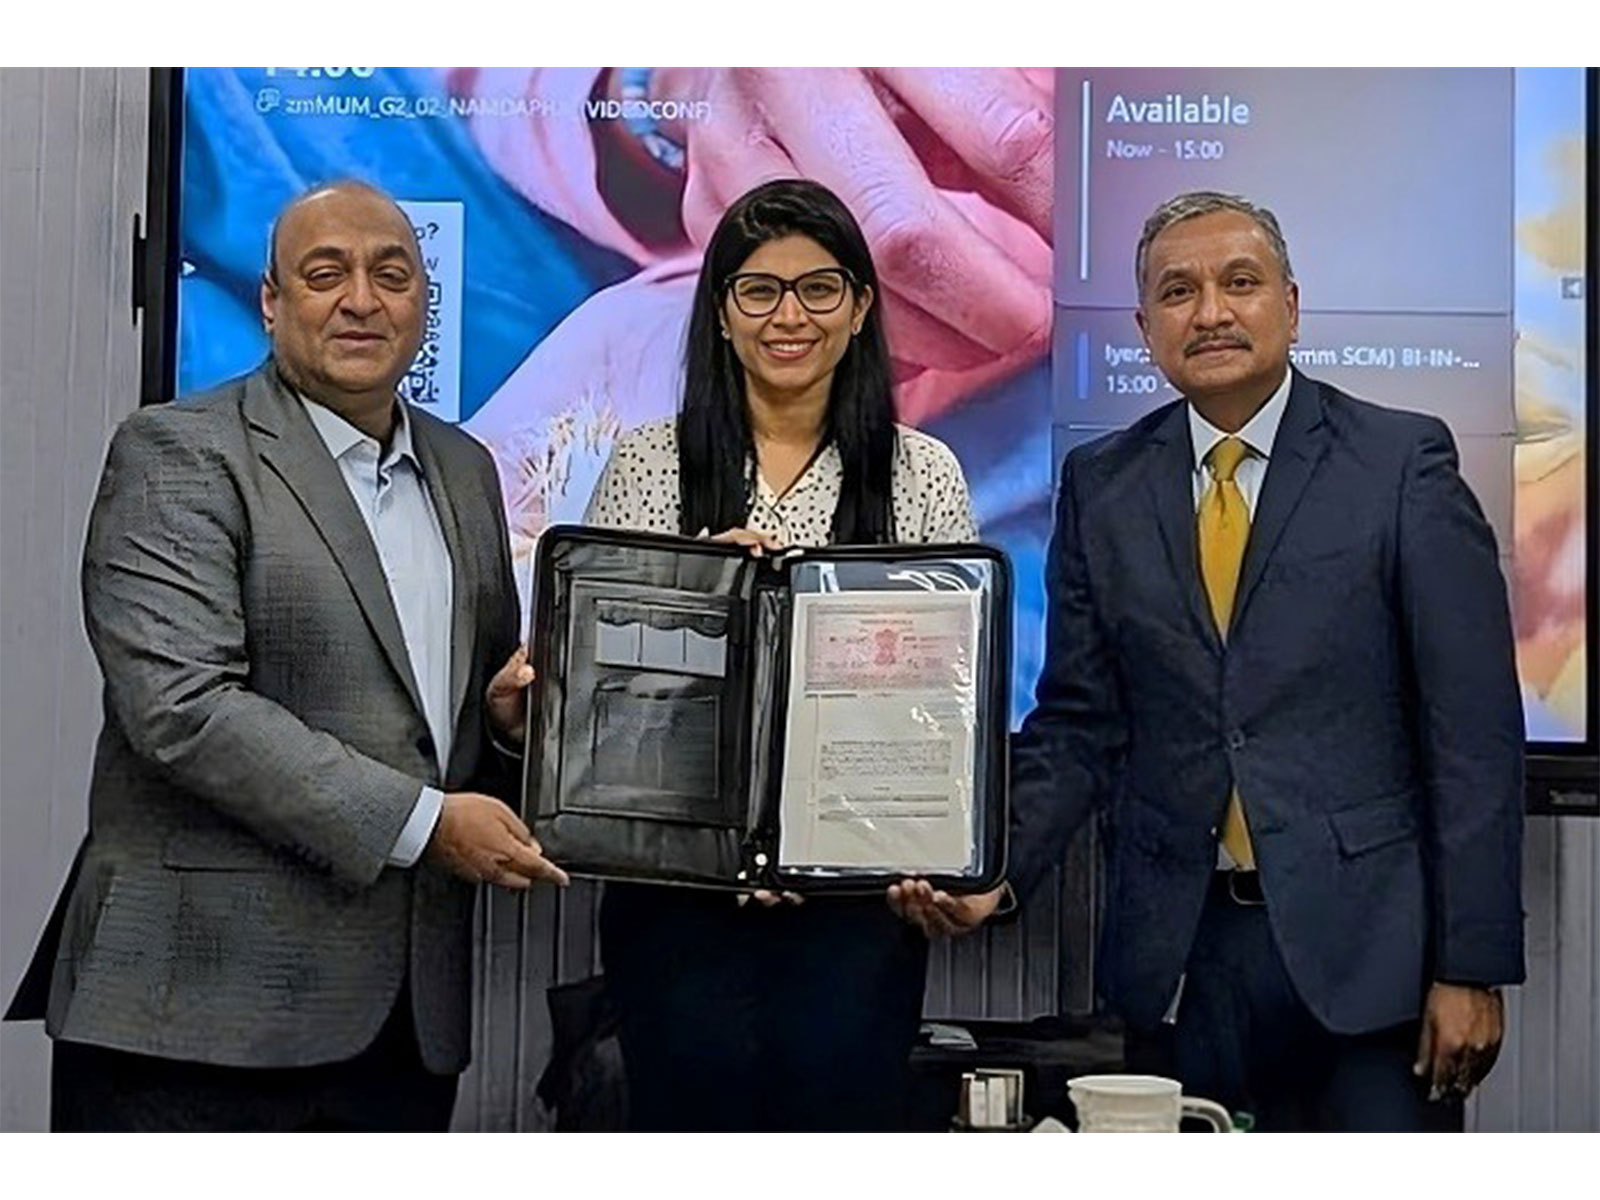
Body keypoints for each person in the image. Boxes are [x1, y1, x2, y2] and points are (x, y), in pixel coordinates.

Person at [892, 191, 1526, 1131]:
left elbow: (1472, 734)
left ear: (1292, 305)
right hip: (1183, 960)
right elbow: (1080, 723)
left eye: (1241, 283)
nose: (1212, 311)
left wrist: (1469, 965)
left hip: (1372, 964)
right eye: (1178, 292)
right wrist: (998, 867)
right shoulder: (1104, 486)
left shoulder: (1400, 463)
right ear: (1147, 329)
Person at [4, 181, 568, 1131]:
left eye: (392, 274)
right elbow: (182, 710)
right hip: (196, 1016)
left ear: (425, 303)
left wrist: (506, 728)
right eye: (325, 274)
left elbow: (454, 713)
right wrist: (427, 824)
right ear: (272, 303)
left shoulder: (467, 471)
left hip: (401, 1026)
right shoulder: (179, 452)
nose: (361, 300)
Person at [581, 178, 979, 1132]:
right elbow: (601, 703)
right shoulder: (650, 464)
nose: (788, 316)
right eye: (757, 291)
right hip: (676, 905)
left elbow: (953, 709)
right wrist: (691, 609)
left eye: (818, 289)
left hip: (854, 915)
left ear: (861, 310)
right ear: (720, 313)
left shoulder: (923, 475)